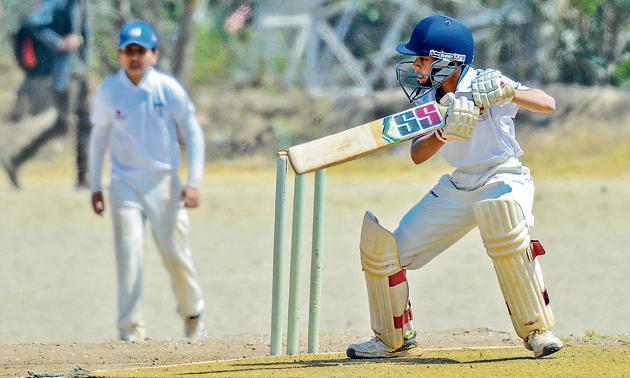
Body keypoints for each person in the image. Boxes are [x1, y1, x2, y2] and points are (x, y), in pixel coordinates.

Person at [346, 14, 563, 359]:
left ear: (447, 61)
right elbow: (418, 154)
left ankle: (538, 331)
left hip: (502, 175)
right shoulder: (429, 98)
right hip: (459, 184)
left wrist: (510, 91)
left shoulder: (486, 83)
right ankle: (393, 340)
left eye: (421, 59)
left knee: (506, 228)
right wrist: (443, 133)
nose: (415, 66)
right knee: (387, 254)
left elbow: (547, 103)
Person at [88, 20, 207, 342]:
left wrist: (193, 181)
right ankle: (130, 330)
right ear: (120, 55)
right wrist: (95, 185)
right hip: (124, 183)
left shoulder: (167, 89)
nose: (135, 57)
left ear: (154, 54)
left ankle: (193, 315)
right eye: (129, 51)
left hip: (164, 183)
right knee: (129, 256)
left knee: (174, 252)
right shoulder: (110, 90)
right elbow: (99, 139)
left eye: (141, 51)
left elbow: (192, 133)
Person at [4, 0, 90, 189]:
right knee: (64, 123)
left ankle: (84, 178)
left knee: (86, 122)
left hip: (80, 71)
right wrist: (59, 43)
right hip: (66, 73)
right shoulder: (61, 2)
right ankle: (15, 161)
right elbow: (32, 24)